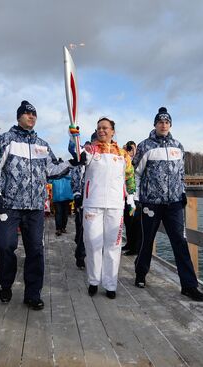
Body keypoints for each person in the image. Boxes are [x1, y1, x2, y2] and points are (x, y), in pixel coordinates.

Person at [0, 100, 79, 310]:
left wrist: (72, 163)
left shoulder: (42, 145)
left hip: (35, 207)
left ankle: (32, 293)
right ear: (19, 116)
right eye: (27, 114)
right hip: (9, 205)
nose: (31, 117)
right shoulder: (5, 140)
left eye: (34, 114)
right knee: (5, 246)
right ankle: (6, 284)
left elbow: (52, 169)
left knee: (35, 250)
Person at [132, 107, 203, 302]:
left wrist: (182, 192)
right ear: (155, 124)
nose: (163, 125)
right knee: (146, 240)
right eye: (160, 122)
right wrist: (136, 198)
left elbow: (181, 174)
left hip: (174, 203)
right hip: (151, 202)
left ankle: (189, 285)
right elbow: (136, 174)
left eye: (166, 122)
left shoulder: (178, 146)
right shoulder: (145, 146)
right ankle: (140, 274)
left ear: (170, 125)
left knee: (180, 242)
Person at [73, 118, 135, 299]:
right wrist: (73, 138)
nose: (101, 130)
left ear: (112, 131)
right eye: (99, 128)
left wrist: (130, 197)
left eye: (105, 128)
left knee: (113, 246)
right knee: (93, 244)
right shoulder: (91, 150)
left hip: (116, 206)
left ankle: (110, 284)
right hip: (92, 204)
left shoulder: (123, 154)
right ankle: (93, 280)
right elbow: (78, 155)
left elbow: (130, 177)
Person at [71, 139, 93, 269]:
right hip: (82, 200)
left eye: (90, 146)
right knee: (83, 229)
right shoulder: (80, 163)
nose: (88, 148)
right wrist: (77, 195)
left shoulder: (98, 159)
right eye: (86, 147)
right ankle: (80, 256)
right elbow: (74, 180)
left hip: (96, 199)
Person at [121, 140, 141, 256]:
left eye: (132, 148)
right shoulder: (125, 160)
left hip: (136, 197)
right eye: (129, 148)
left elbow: (137, 168)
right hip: (126, 197)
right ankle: (129, 244)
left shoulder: (138, 161)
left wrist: (135, 152)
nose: (130, 151)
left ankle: (135, 248)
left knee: (135, 224)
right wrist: (124, 153)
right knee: (128, 223)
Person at [49, 163, 74, 236]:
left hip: (58, 197)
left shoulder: (55, 176)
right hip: (66, 196)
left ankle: (59, 229)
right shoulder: (68, 176)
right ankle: (62, 228)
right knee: (64, 213)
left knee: (59, 213)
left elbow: (49, 180)